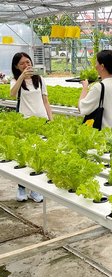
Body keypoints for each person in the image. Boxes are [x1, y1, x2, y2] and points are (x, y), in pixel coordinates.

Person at [10, 52, 54, 203]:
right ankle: (22, 188)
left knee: (38, 156)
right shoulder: (16, 80)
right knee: (24, 156)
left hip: (41, 122)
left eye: (28, 62)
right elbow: (12, 94)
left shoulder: (39, 79)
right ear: (16, 66)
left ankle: (35, 189)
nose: (26, 65)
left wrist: (51, 119)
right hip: (25, 123)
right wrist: (22, 76)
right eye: (22, 63)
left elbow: (46, 101)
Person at [78, 50, 112, 132]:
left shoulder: (99, 87)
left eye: (96, 63)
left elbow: (82, 108)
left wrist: (85, 87)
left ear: (102, 66)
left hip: (104, 134)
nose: (95, 66)